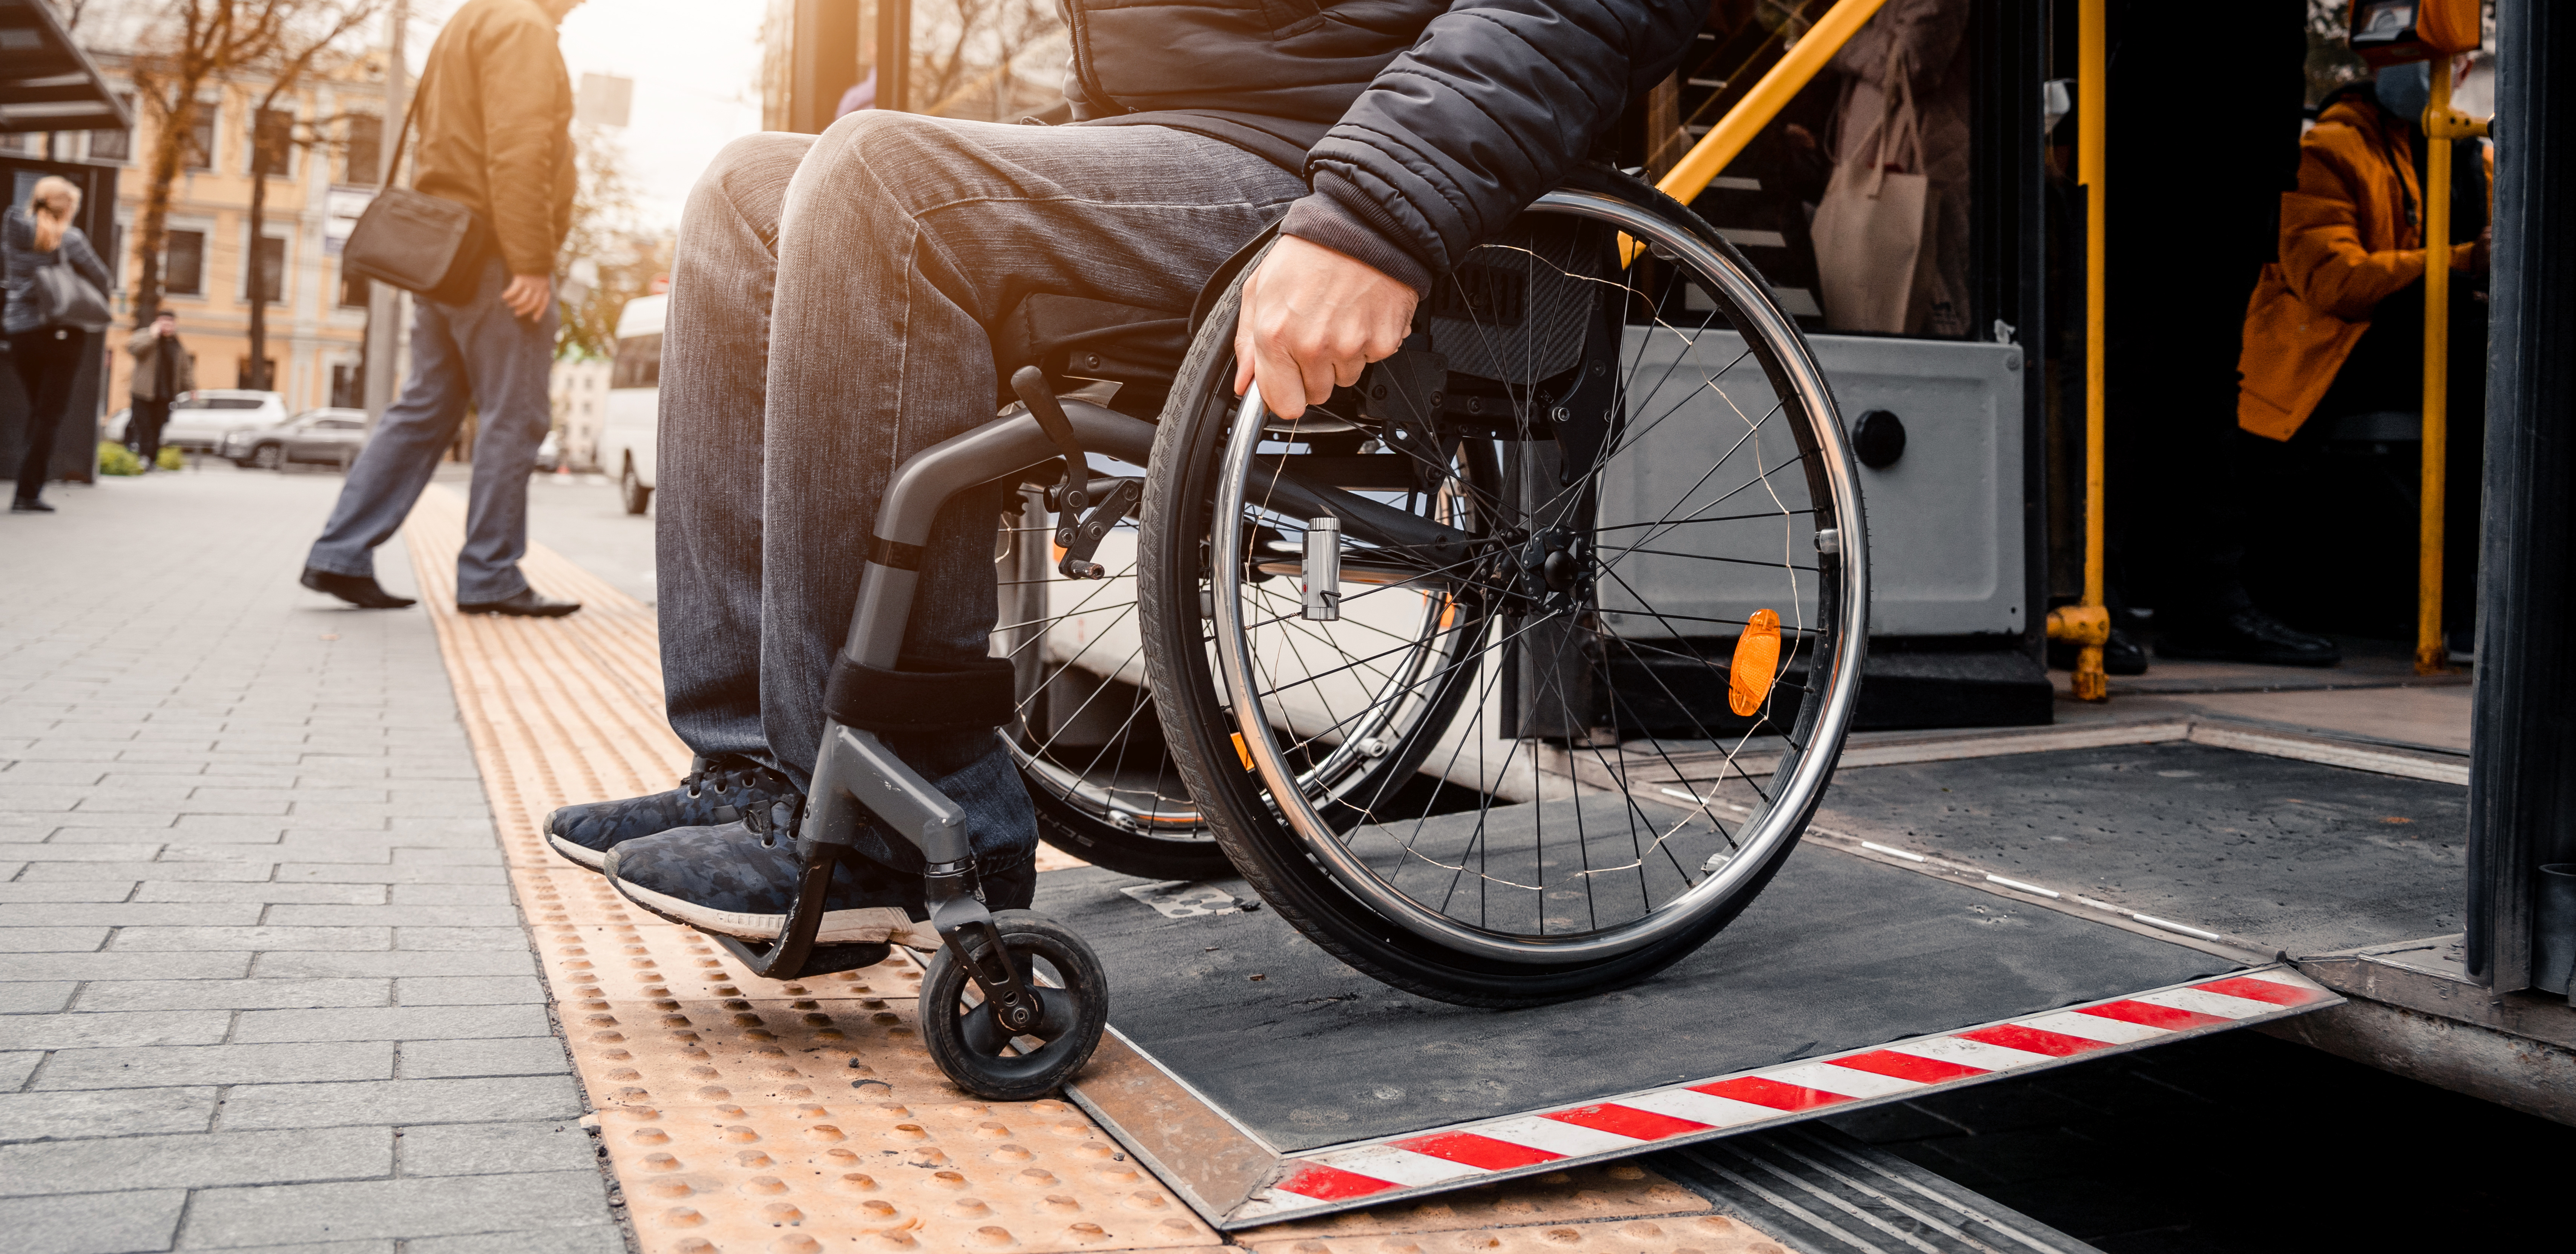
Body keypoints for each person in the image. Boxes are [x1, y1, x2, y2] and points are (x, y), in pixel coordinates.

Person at [544, 0, 1707, 944]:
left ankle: (900, 810)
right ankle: (759, 773)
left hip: (1344, 164)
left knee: (881, 185)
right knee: (746, 189)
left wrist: (1377, 211)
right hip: (1209, 142)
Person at [2196, 58, 2492, 661]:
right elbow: (2333, 283)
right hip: (2330, 351)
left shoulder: (2476, 160)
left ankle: (2482, 587)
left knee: (2485, 350)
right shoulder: (2330, 150)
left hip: (2418, 342)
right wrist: (2462, 261)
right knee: (2473, 359)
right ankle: (2459, 600)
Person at [300, 0, 585, 615]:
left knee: (425, 408)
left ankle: (339, 552)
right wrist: (531, 260)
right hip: (495, 256)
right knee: (516, 415)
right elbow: (517, 146)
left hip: (444, 252)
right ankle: (491, 574)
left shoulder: (469, 19)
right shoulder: (523, 27)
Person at [6, 176, 112, 514]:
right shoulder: (71, 238)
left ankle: (27, 484)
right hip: (60, 333)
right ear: (67, 206)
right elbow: (102, 278)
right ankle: (27, 492)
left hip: (20, 332)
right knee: (49, 416)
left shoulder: (13, 232)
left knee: (38, 411)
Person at [126, 309, 193, 468]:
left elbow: (185, 368)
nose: (167, 326)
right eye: (163, 322)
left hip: (165, 394)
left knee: (158, 427)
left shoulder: (177, 344)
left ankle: (152, 460)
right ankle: (143, 457)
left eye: (170, 323)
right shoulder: (145, 336)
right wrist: (153, 336)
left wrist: (192, 388)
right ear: (157, 323)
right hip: (143, 393)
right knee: (144, 426)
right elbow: (134, 350)